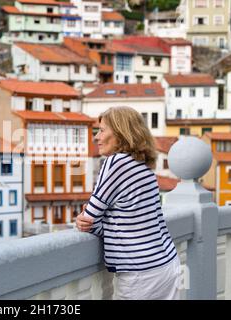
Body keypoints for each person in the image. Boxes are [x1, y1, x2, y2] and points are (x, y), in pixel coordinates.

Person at [76, 106, 181, 300]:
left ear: (121, 133)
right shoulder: (144, 168)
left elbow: (89, 217)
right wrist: (98, 219)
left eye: (102, 130)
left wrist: (85, 218)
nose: (96, 137)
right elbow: (124, 224)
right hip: (167, 264)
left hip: (141, 274)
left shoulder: (115, 163)